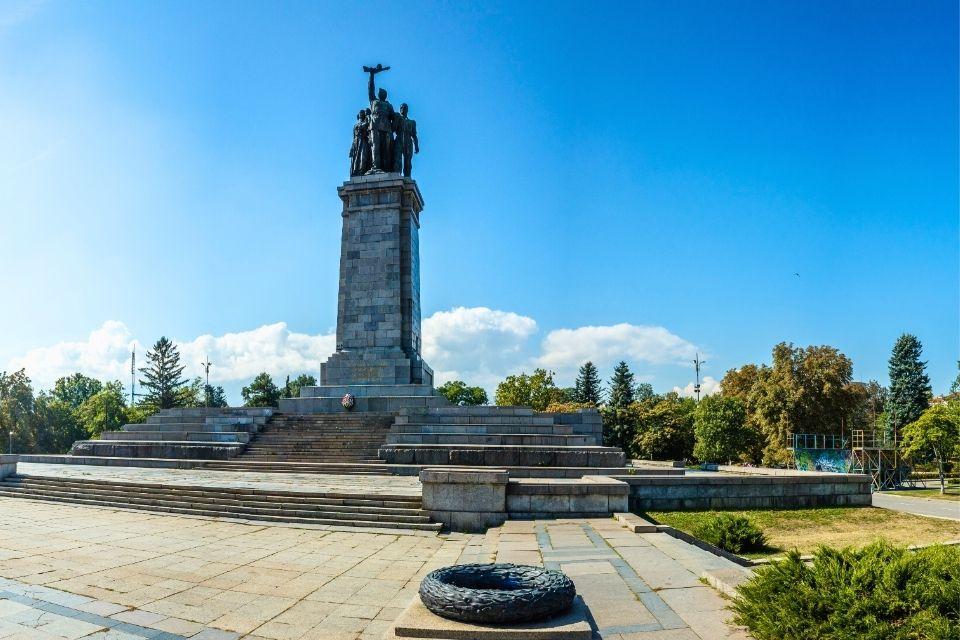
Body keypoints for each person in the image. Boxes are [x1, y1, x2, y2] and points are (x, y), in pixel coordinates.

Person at [366, 66, 395, 172]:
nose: (380, 94)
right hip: (374, 126)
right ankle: (375, 167)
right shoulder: (373, 101)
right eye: (379, 93)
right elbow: (370, 88)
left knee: (386, 149)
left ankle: (385, 168)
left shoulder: (388, 105)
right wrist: (371, 75)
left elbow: (394, 117)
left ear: (385, 95)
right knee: (375, 146)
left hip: (386, 128)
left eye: (382, 93)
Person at [392, 103, 419, 177]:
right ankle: (397, 175)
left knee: (408, 161)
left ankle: (407, 176)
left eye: (404, 107)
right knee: (397, 158)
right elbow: (393, 129)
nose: (402, 109)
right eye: (401, 107)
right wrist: (396, 120)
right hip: (399, 138)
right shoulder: (398, 118)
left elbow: (414, 135)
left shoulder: (412, 122)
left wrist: (416, 145)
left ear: (407, 110)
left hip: (408, 141)